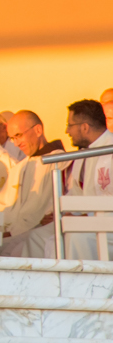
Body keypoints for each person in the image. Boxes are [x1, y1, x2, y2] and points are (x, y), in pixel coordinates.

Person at [0, 110, 68, 258]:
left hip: (34, 234)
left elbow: (41, 210)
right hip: (12, 233)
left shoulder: (59, 161)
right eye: (12, 138)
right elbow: (2, 206)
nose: (16, 143)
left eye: (19, 135)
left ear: (38, 130)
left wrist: (10, 232)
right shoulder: (20, 167)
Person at [60, 100, 113, 260]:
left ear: (84, 127)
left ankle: (86, 277)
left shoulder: (109, 149)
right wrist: (65, 210)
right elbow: (78, 193)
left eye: (70, 125)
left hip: (108, 224)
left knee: (76, 237)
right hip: (93, 221)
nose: (67, 131)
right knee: (48, 238)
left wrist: (87, 216)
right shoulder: (83, 153)